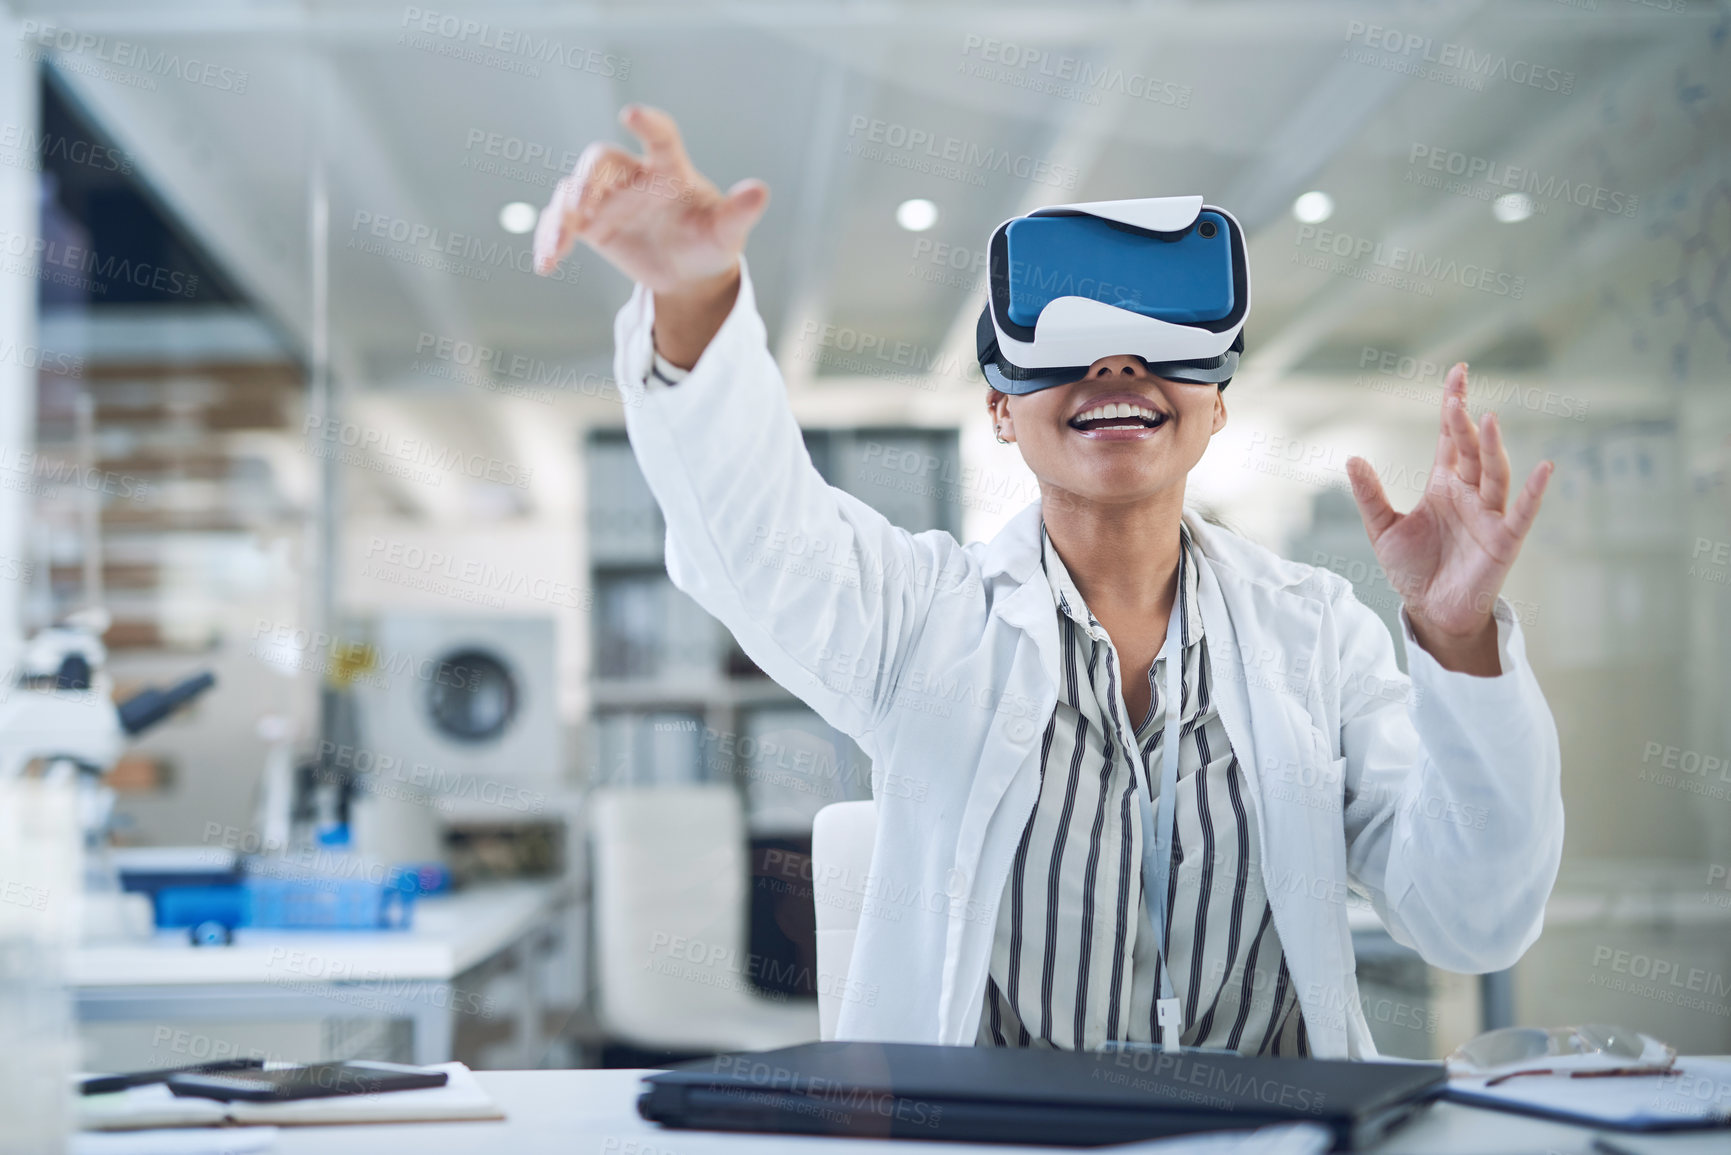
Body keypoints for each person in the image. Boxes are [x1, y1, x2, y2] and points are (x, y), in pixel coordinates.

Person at [534, 104, 1564, 1059]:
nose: (1116, 369)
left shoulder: (1317, 635)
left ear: (1216, 406)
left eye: (1161, 347)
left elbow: (1472, 915)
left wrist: (1460, 640)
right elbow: (756, 542)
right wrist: (697, 297)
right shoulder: (925, 622)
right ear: (999, 408)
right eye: (1067, 350)